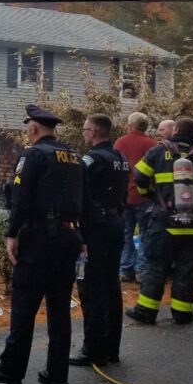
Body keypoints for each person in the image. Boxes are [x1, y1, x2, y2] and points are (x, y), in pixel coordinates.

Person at [0, 105, 83, 384]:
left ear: (34, 128)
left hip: (39, 239)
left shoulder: (33, 155)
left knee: (24, 306)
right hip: (69, 237)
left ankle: (11, 370)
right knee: (59, 308)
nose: (27, 132)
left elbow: (21, 198)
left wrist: (12, 234)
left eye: (27, 128)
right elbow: (83, 197)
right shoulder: (73, 156)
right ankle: (57, 373)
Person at [126, 117, 193, 325]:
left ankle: (146, 311)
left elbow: (139, 176)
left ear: (176, 130)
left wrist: (150, 194)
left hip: (165, 223)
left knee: (156, 266)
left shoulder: (158, 150)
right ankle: (183, 313)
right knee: (187, 270)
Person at [71, 114, 128, 368]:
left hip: (95, 228)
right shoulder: (120, 159)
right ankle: (111, 347)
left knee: (90, 287)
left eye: (85, 129)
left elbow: (77, 193)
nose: (83, 134)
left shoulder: (91, 160)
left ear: (93, 131)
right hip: (115, 223)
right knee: (111, 284)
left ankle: (92, 349)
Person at [114, 112, 156, 283]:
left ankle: (125, 269)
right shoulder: (153, 145)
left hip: (124, 196)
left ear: (130, 125)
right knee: (146, 234)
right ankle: (141, 270)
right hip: (146, 197)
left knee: (125, 233)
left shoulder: (120, 142)